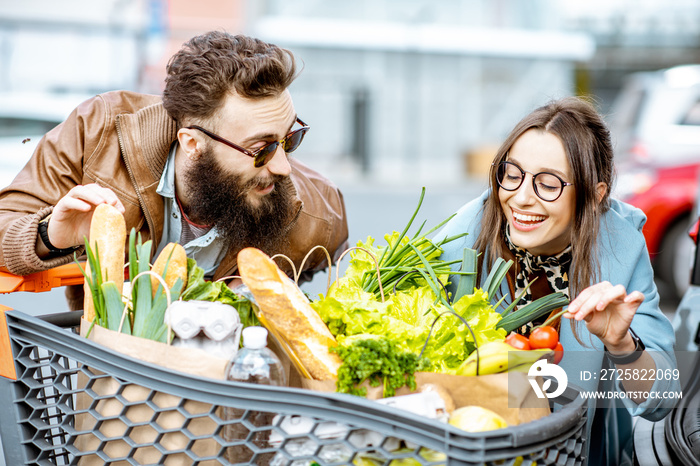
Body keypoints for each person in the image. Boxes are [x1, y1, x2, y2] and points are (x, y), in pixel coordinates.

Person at [0, 31, 349, 309]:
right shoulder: (96, 132)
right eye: (261, 149)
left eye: (289, 139)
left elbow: (331, 265)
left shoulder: (313, 213)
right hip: (109, 379)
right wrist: (50, 236)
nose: (283, 167)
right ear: (192, 143)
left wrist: (271, 282)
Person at [437, 96, 679, 464]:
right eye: (512, 174)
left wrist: (622, 344)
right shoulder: (459, 241)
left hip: (579, 450)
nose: (520, 198)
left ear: (595, 196)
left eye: (548, 184)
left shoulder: (621, 248)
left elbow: (662, 397)